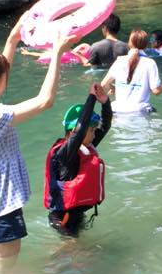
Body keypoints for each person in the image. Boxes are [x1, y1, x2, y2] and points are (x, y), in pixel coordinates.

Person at [0, 18, 77, 274]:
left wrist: (14, 37)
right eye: (3, 77)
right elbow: (45, 101)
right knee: (2, 267)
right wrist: (56, 53)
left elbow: (1, 67)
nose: (6, 79)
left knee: (1, 261)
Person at [45, 83, 112, 237]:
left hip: (75, 214)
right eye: (92, 130)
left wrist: (105, 102)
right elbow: (80, 131)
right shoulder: (65, 153)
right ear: (73, 132)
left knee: (75, 254)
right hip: (62, 218)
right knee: (74, 252)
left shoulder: (85, 147)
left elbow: (106, 124)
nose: (95, 134)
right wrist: (91, 98)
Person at [101, 28, 162, 113]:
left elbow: (104, 84)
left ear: (129, 43)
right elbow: (156, 91)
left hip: (117, 110)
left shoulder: (120, 60)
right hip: (139, 112)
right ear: (145, 45)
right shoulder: (150, 63)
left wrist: (115, 88)